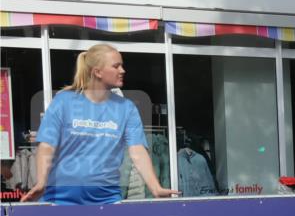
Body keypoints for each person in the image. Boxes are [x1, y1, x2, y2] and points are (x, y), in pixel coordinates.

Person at [20, 44, 178, 205]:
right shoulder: (63, 102)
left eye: (122, 65)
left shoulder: (127, 108)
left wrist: (155, 188)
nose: (122, 70)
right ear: (97, 72)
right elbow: (47, 145)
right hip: (60, 199)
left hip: (106, 199)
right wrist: (41, 182)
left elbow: (137, 150)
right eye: (116, 66)